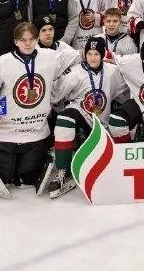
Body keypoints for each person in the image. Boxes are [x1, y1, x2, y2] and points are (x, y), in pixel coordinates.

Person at [0, 22, 79, 199]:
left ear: (37, 40)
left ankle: (31, 161)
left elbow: (81, 57)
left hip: (35, 132)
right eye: (23, 40)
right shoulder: (4, 62)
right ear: (15, 41)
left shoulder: (50, 57)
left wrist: (106, 58)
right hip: (5, 132)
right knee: (4, 177)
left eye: (31, 39)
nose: (27, 43)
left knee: (28, 179)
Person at [47, 36, 127, 198]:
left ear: (102, 54)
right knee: (64, 121)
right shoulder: (74, 72)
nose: (92, 58)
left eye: (96, 54)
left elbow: (124, 91)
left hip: (101, 123)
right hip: (81, 114)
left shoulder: (112, 71)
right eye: (89, 53)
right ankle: (63, 170)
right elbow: (55, 95)